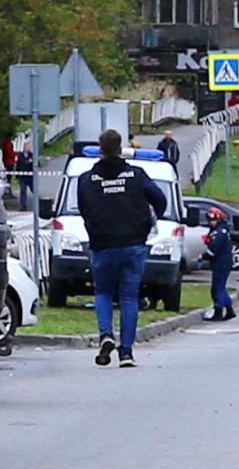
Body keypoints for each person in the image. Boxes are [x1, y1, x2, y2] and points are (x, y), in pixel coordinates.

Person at [76, 129, 167, 368]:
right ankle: (126, 352)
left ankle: (106, 334)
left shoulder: (86, 179)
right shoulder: (136, 175)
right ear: (120, 149)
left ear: (100, 149)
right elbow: (160, 199)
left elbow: (83, 208)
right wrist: (148, 223)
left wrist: (94, 229)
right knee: (129, 298)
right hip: (133, 244)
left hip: (102, 245)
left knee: (103, 292)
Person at [203, 208, 236, 322]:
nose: (210, 222)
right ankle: (229, 310)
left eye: (213, 220)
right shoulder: (219, 230)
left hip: (221, 263)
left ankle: (219, 311)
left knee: (218, 288)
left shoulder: (220, 231)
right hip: (220, 262)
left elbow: (214, 248)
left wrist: (204, 256)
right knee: (219, 287)